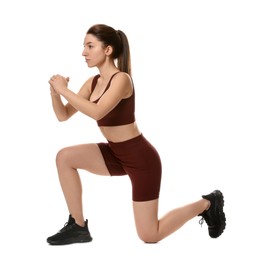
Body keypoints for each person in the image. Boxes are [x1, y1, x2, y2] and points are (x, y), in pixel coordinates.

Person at [47, 24, 226, 245]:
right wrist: (56, 94)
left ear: (108, 50)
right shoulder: (92, 83)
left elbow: (97, 111)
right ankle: (78, 226)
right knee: (64, 157)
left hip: (141, 159)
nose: (84, 52)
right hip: (114, 152)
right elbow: (63, 115)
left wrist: (65, 90)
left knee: (150, 235)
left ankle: (208, 203)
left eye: (90, 46)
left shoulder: (122, 80)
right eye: (84, 46)